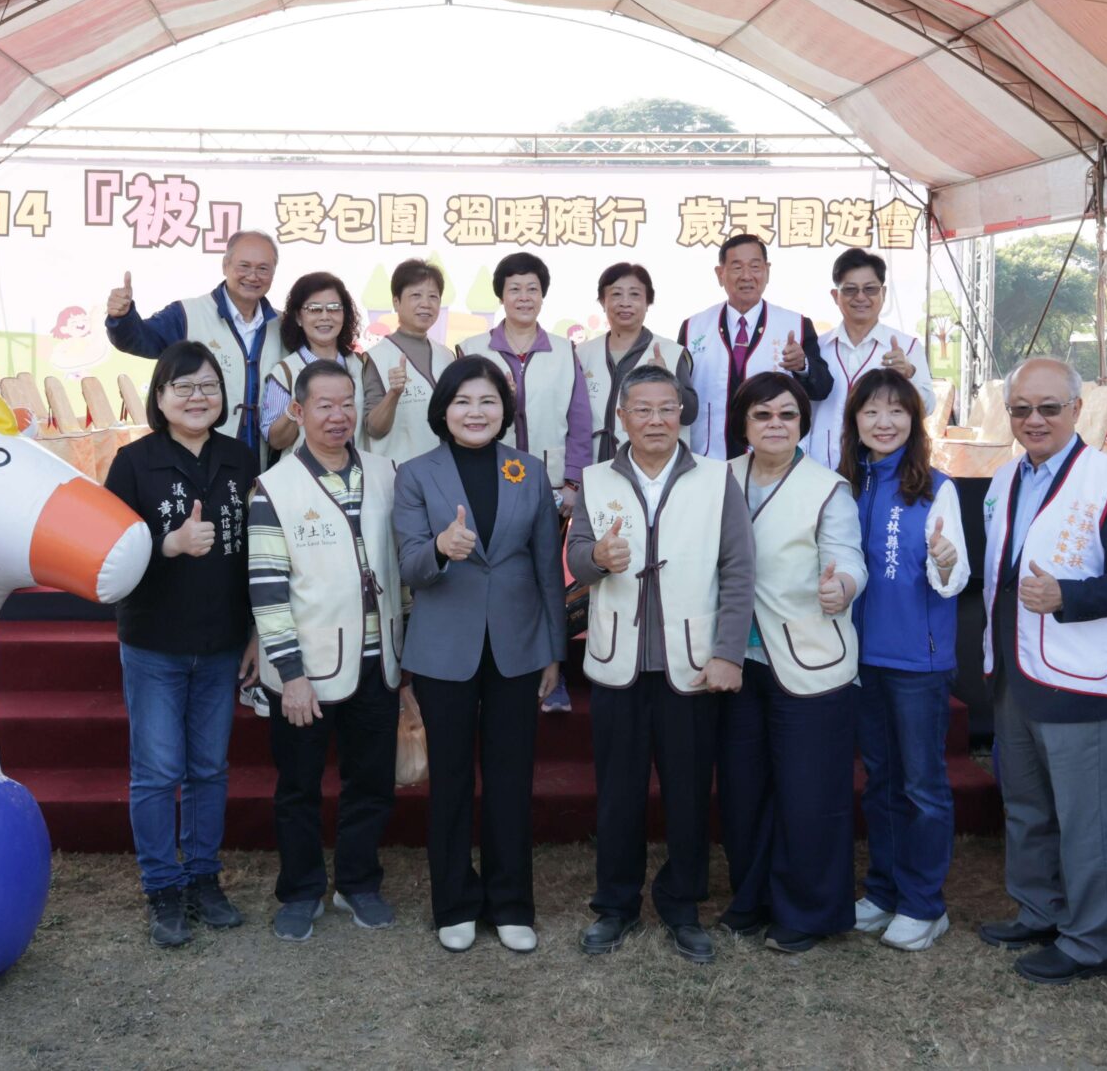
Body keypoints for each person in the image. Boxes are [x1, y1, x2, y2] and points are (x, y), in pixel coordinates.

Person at [566, 363, 754, 964]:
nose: (655, 420)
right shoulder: (596, 479)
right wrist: (596, 556)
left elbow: (738, 570)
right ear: (621, 417)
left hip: (692, 662)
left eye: (666, 408)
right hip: (618, 660)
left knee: (689, 792)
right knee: (618, 793)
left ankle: (681, 905)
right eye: (642, 409)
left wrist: (728, 651)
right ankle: (615, 905)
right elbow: (575, 559)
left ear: (683, 414)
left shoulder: (716, 478)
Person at [977, 358, 1107, 984]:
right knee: (1026, 805)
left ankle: (1090, 941)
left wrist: (1070, 598)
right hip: (1013, 667)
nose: (1034, 419)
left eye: (1049, 407)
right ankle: (1039, 909)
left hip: (1076, 677)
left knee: (1084, 818)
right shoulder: (1004, 479)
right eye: (1022, 408)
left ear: (1078, 410)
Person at [392, 356, 565, 953]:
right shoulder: (416, 474)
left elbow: (547, 563)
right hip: (445, 650)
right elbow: (410, 564)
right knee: (452, 781)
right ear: (443, 409)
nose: (476, 412)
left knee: (511, 778)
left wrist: (553, 652)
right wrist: (441, 547)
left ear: (504, 410)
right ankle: (454, 903)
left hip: (518, 645)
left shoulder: (529, 471)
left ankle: (512, 901)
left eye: (487, 401)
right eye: (463, 401)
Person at [104, 340, 261, 946]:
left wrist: (252, 631)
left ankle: (202, 877)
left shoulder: (240, 459)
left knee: (209, 768)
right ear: (161, 397)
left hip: (222, 640)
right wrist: (166, 546)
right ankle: (161, 887)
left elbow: (257, 554)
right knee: (156, 770)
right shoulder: (133, 462)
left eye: (209, 386)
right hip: (154, 642)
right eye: (184, 387)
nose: (198, 397)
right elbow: (108, 558)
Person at [246, 359, 404, 942]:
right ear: (298, 411)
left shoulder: (388, 474)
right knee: (299, 786)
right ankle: (302, 889)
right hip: (305, 669)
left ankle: (359, 883)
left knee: (371, 782)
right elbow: (266, 587)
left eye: (347, 406)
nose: (338, 417)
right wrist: (289, 674)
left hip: (378, 661)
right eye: (323, 406)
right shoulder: (275, 486)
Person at [716, 371, 866, 956]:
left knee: (810, 793)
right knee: (742, 790)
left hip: (810, 658)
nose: (775, 425)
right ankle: (750, 898)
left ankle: (808, 910)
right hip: (735, 659)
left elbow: (848, 558)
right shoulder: (719, 477)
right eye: (762, 415)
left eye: (786, 415)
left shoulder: (828, 488)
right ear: (743, 424)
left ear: (803, 423)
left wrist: (843, 588)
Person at [839, 367, 970, 951]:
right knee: (881, 781)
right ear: (856, 422)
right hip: (860, 660)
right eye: (871, 412)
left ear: (913, 420)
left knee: (922, 786)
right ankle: (885, 891)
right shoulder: (847, 483)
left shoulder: (935, 486)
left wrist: (943, 558)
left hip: (918, 662)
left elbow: (955, 578)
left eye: (896, 411)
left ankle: (924, 903)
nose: (883, 422)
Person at [105, 230, 282, 457]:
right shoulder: (186, 314)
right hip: (198, 457)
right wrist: (122, 317)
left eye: (263, 268)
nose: (253, 276)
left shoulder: (283, 325)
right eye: (244, 266)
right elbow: (140, 339)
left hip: (266, 461)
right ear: (225, 266)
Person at [459, 253, 592, 519]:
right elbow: (459, 421)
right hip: (486, 479)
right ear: (501, 297)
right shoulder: (472, 350)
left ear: (542, 296)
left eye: (533, 289)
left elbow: (579, 422)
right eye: (514, 290)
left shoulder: (564, 351)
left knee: (545, 558)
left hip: (549, 484)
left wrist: (573, 482)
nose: (524, 298)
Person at [677, 234, 832, 459]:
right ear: (720, 274)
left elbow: (823, 388)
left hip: (773, 463)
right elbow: (680, 394)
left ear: (767, 271)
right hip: (708, 461)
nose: (747, 276)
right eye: (737, 267)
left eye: (755, 266)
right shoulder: (694, 327)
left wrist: (803, 366)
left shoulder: (796, 325)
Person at [804, 250, 934, 470]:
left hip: (883, 469)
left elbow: (928, 407)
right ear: (836, 296)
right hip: (822, 469)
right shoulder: (818, 348)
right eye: (850, 290)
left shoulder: (907, 346)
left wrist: (908, 379)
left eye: (870, 289)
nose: (861, 297)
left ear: (883, 293)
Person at [578, 262, 696, 464]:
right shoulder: (582, 353)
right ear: (602, 301)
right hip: (592, 467)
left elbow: (690, 414)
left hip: (649, 466)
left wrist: (669, 381)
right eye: (616, 294)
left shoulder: (671, 352)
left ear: (648, 302)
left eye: (634, 295)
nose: (625, 303)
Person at [259, 272, 366, 453]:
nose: (325, 317)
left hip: (357, 475)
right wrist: (294, 408)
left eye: (333, 308)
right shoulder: (285, 372)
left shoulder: (361, 364)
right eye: (314, 309)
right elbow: (275, 441)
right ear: (299, 318)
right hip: (304, 477)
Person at [362, 258, 454, 464]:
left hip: (445, 471)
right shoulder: (378, 357)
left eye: (433, 297)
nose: (426, 304)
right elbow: (374, 429)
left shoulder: (447, 355)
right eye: (416, 295)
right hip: (399, 475)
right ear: (396, 302)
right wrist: (393, 394)